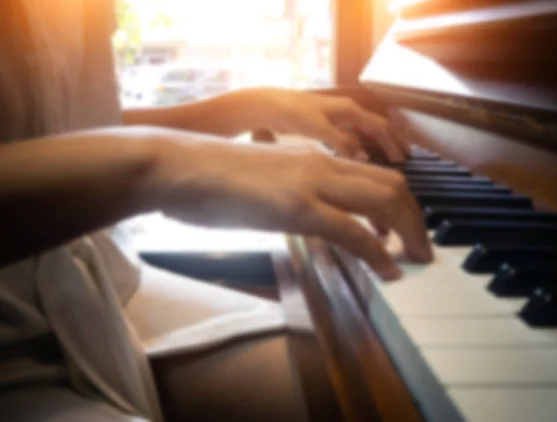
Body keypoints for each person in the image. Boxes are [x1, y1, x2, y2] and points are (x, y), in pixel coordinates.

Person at [0, 1, 433, 421]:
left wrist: (244, 109)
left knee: (351, 375)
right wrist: (160, 165)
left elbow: (59, 131)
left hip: (94, 286)